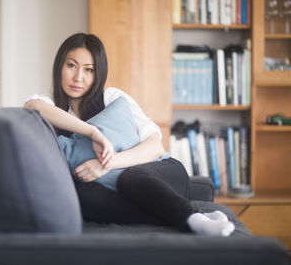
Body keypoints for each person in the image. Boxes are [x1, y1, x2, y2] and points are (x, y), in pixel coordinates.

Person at [24, 33, 235, 236]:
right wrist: (93, 132)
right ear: (59, 65)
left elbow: (155, 147)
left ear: (99, 74)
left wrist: (106, 164)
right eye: (71, 66)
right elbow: (33, 106)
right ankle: (192, 221)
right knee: (83, 195)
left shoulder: (113, 97)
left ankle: (193, 218)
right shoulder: (49, 104)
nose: (78, 77)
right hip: (112, 192)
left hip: (160, 173)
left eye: (89, 70)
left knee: (130, 178)